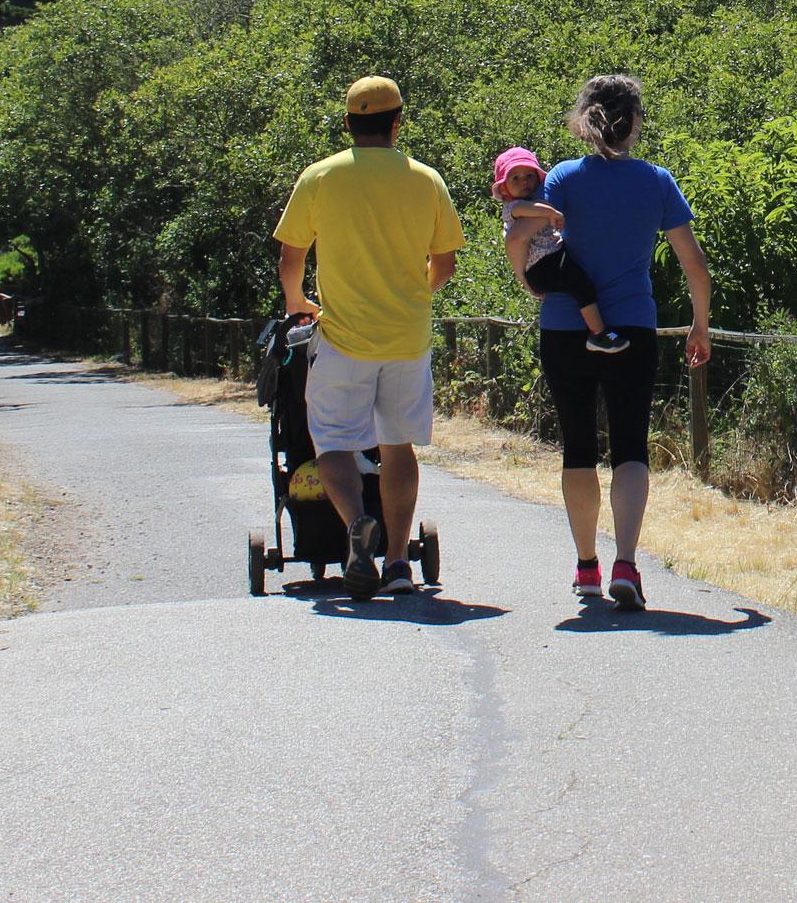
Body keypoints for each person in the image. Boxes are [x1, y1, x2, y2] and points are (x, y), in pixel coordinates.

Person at [274, 76, 464, 600]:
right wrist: (415, 293)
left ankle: (358, 524)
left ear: (347, 124)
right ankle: (399, 562)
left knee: (332, 441)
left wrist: (298, 304)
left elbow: (292, 256)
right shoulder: (426, 180)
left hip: (342, 337)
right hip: (406, 337)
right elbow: (444, 261)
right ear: (397, 122)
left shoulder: (320, 177)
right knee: (396, 445)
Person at [537, 74, 711, 610]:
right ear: (634, 122)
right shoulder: (657, 182)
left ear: (587, 120)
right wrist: (699, 324)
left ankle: (587, 565)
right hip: (633, 326)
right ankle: (626, 565)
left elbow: (531, 246)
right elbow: (694, 265)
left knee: (579, 447)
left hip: (566, 327)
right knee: (631, 447)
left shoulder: (562, 178)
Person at [491, 146, 627, 351]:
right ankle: (599, 333)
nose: (524, 182)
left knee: (580, 281)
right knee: (582, 286)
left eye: (529, 175)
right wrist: (552, 212)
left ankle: (593, 328)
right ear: (504, 189)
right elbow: (530, 210)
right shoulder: (513, 207)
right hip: (543, 264)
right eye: (515, 179)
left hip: (548, 260)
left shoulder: (532, 201)